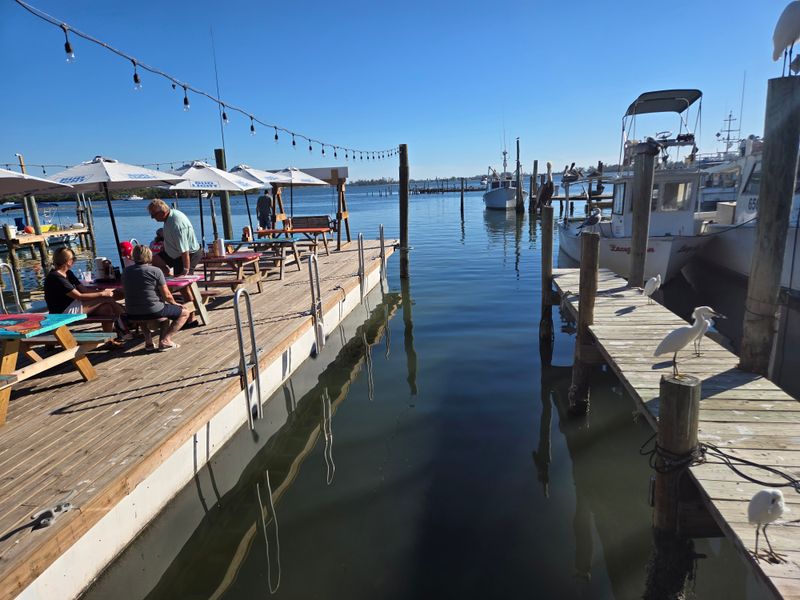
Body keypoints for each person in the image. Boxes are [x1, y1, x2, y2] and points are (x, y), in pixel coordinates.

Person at [44, 247, 129, 341]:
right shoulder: (56, 278)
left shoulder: (68, 273)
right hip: (63, 311)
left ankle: (109, 340)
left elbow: (83, 290)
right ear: (68, 261)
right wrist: (103, 294)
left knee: (107, 308)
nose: (74, 261)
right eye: (73, 259)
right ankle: (126, 325)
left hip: (74, 305)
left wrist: (104, 292)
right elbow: (79, 295)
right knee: (107, 299)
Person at [122, 245, 190, 351]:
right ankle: (166, 340)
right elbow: (167, 295)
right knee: (184, 312)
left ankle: (148, 340)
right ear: (149, 255)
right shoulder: (155, 271)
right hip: (153, 309)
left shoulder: (126, 271)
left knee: (142, 310)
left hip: (132, 311)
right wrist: (175, 303)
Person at [147, 199, 201, 276]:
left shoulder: (176, 224)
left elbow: (185, 250)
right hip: (174, 253)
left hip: (188, 255)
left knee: (182, 283)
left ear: (162, 212)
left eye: (153, 215)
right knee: (155, 260)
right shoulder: (169, 216)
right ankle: (169, 276)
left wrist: (186, 269)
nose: (152, 218)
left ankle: (177, 282)